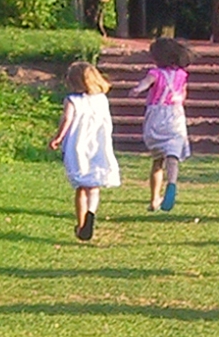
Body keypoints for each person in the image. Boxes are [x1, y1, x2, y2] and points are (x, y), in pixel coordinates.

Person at [49, 61, 120, 241]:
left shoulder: (72, 100)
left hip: (78, 145)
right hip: (98, 144)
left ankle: (81, 225)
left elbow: (67, 120)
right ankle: (91, 213)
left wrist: (58, 138)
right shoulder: (102, 99)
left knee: (81, 186)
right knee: (94, 186)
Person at [131, 36, 192, 211]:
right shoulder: (182, 75)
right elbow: (183, 95)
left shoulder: (155, 73)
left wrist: (137, 90)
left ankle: (154, 199)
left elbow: (145, 83)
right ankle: (171, 183)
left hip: (156, 116)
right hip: (176, 114)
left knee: (157, 160)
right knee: (173, 155)